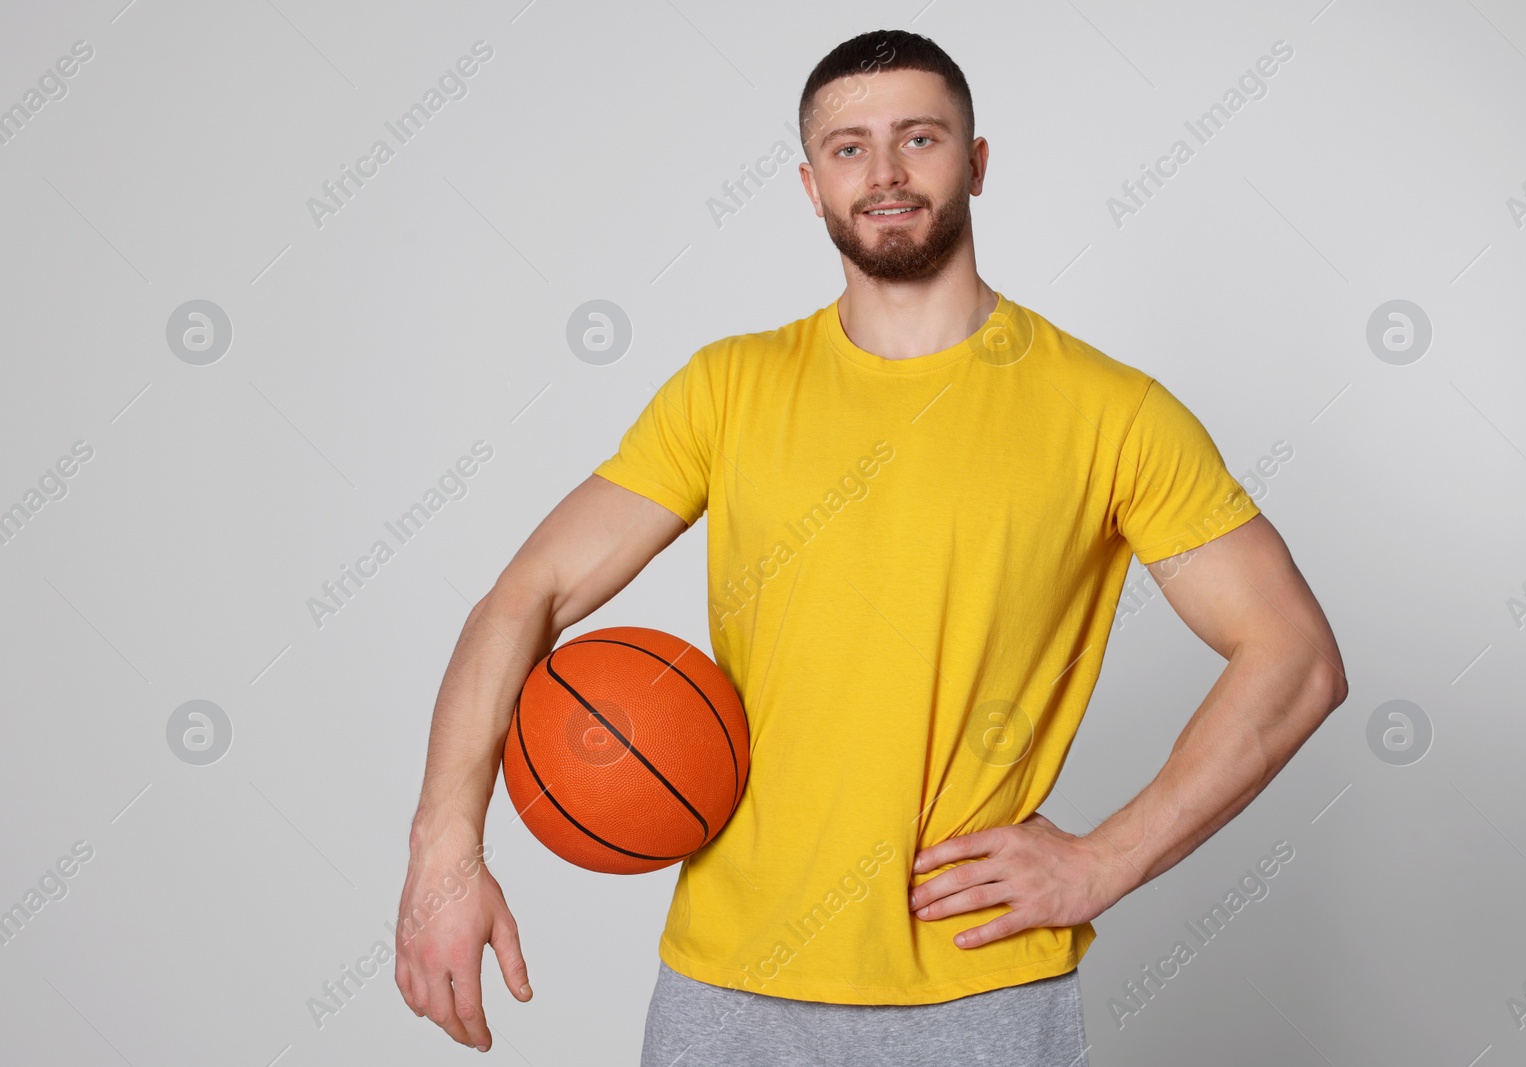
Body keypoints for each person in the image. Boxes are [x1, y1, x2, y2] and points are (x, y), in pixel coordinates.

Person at [394, 28, 1348, 1065]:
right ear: (810, 185)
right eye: (848, 148)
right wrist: (445, 854)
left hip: (976, 987)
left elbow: (1293, 655)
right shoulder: (728, 388)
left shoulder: (1110, 412)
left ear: (975, 161)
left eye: (918, 137)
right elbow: (522, 594)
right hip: (727, 984)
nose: (884, 172)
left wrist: (1103, 860)